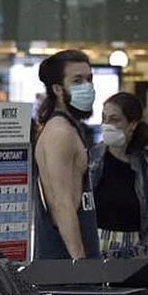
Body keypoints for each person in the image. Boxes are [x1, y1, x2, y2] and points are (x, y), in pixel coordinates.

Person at [33, 49, 100, 260]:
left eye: (89, 79)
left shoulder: (70, 128)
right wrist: (80, 265)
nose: (87, 86)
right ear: (57, 89)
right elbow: (62, 203)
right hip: (64, 264)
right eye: (77, 81)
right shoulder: (60, 133)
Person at [89, 92, 148, 258]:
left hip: (134, 252)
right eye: (104, 119)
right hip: (94, 250)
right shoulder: (91, 159)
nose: (107, 125)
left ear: (132, 124)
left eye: (115, 120)